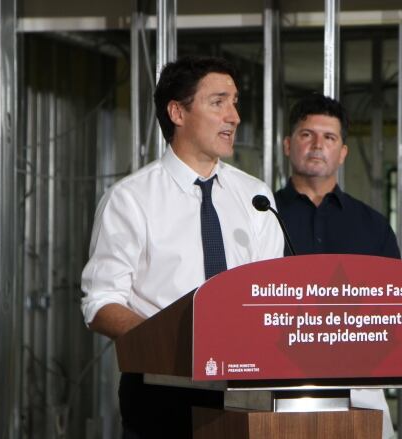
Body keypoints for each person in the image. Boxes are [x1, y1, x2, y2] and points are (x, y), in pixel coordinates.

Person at [81, 56, 284, 438]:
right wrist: (171, 346)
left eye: (235, 102)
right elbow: (100, 303)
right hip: (160, 392)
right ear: (177, 112)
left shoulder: (256, 196)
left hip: (244, 387)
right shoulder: (130, 199)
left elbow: (269, 293)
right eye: (218, 102)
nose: (234, 116)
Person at [274, 93, 399, 438]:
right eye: (306, 135)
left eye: (329, 137)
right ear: (288, 145)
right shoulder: (259, 216)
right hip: (275, 382)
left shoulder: (373, 225)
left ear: (342, 152)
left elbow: (394, 308)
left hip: (358, 383)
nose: (317, 145)